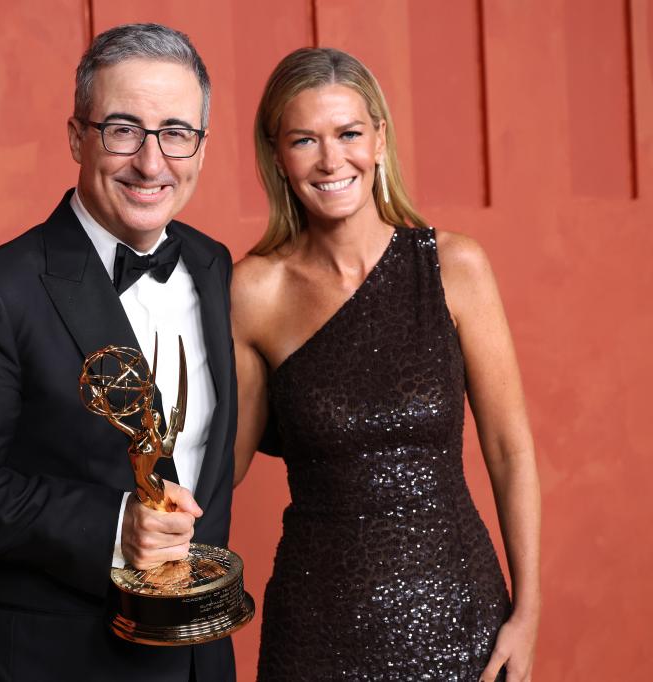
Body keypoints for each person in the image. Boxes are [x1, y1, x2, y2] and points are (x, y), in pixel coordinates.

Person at [0, 24, 238, 682]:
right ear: (77, 136)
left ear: (200, 145)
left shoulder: (212, 265)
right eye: (122, 129)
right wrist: (112, 528)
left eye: (175, 132)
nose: (151, 161)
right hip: (49, 660)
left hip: (198, 659)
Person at [232, 47, 541, 681]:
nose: (330, 159)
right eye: (303, 140)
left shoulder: (454, 267)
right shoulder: (254, 292)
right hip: (318, 625)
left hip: (459, 615)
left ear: (378, 139)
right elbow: (221, 469)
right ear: (278, 157)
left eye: (347, 133)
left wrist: (527, 612)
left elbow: (511, 451)